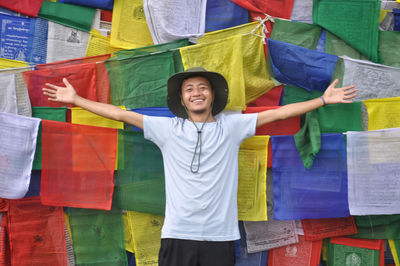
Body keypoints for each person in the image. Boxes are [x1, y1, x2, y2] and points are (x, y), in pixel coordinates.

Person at [43, 67, 357, 266]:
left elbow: (279, 114)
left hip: (220, 237)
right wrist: (76, 100)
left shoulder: (232, 126)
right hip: (178, 234)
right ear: (182, 99)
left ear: (212, 95)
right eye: (189, 88)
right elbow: (121, 115)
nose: (196, 92)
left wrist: (323, 101)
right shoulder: (167, 129)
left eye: (202, 87)